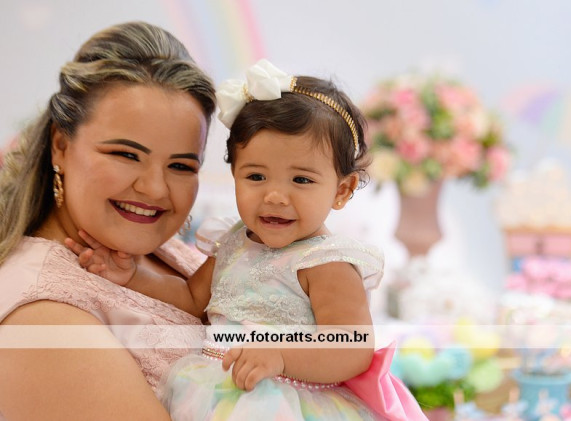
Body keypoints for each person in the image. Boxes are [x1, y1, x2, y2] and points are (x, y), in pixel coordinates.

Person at [68, 59, 427, 420]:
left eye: (301, 180)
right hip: (215, 391)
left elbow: (351, 347)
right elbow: (193, 298)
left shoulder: (325, 262)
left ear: (342, 190)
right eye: (256, 177)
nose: (275, 196)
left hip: (285, 402)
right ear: (235, 174)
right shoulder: (234, 242)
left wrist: (281, 356)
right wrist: (133, 276)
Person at [0, 21, 216, 420]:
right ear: (60, 146)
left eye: (181, 166)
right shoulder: (45, 319)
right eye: (126, 155)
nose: (155, 189)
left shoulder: (147, 247)